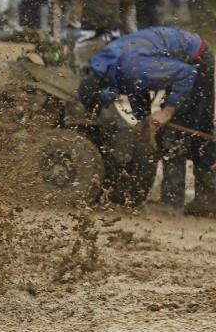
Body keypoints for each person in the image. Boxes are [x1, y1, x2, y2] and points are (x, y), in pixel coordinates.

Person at [78, 27, 214, 216]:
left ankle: (185, 203)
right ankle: (187, 199)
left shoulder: (132, 66)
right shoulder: (108, 65)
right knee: (174, 131)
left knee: (181, 132)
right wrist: (143, 121)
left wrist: (167, 112)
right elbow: (137, 87)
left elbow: (186, 74)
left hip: (197, 63)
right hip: (179, 60)